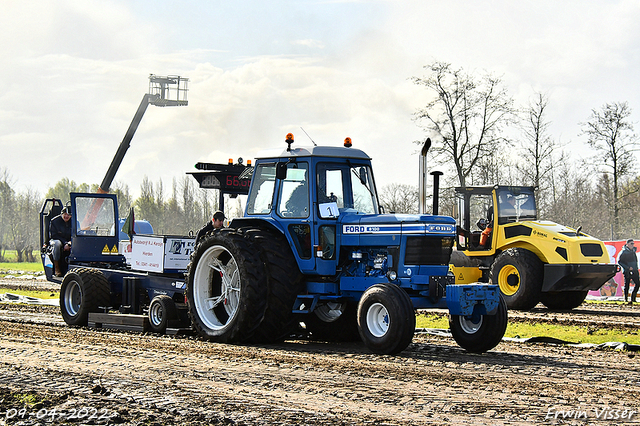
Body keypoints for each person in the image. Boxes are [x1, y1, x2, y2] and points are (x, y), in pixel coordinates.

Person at [49, 206, 72, 277]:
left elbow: (76, 233)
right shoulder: (54, 222)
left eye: (69, 215)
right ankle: (57, 268)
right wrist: (65, 243)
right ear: (62, 214)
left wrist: (70, 242)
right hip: (56, 240)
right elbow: (54, 235)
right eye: (65, 214)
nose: (66, 216)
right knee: (57, 244)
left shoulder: (74, 222)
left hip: (69, 242)